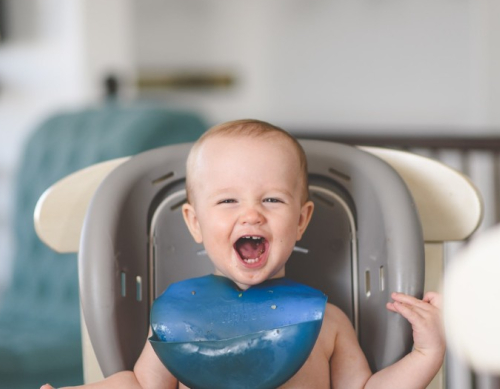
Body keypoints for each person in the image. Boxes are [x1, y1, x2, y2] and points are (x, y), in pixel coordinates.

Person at [41, 119, 445, 389]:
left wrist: (427, 353)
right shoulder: (181, 319)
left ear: (302, 220)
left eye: (271, 199)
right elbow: (140, 386)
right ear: (194, 222)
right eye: (228, 201)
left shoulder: (327, 322)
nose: (251, 213)